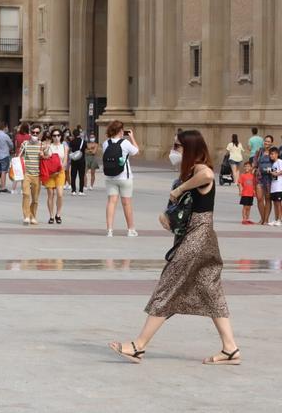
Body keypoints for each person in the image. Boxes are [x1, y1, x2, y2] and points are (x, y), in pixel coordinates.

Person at [110, 130, 241, 367]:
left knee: (167, 287)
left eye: (178, 147)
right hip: (199, 237)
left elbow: (209, 175)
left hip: (197, 240)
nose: (174, 151)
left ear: (190, 149)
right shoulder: (190, 173)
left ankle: (139, 345)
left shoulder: (200, 169)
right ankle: (230, 349)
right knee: (211, 291)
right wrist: (168, 219)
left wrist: (180, 189)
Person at [103, 121, 139, 237]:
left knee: (111, 202)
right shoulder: (125, 143)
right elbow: (136, 152)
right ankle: (130, 229)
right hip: (124, 177)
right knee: (126, 203)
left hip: (110, 177)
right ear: (120, 131)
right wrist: (132, 137)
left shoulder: (105, 143)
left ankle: (109, 230)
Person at [20, 125, 44, 225]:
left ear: (40, 134)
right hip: (26, 173)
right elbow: (19, 156)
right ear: (30, 133)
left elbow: (47, 158)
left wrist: (44, 155)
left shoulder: (42, 145)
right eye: (33, 132)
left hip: (37, 174)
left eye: (37, 133)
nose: (34, 134)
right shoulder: (25, 144)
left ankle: (33, 216)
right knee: (26, 194)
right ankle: (26, 216)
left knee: (35, 198)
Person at [43, 128, 68, 224]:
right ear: (51, 137)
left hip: (60, 172)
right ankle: (51, 216)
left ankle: (58, 214)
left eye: (58, 135)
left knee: (60, 194)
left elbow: (65, 160)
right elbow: (45, 158)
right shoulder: (49, 146)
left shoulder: (64, 147)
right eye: (54, 135)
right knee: (50, 194)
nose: (56, 137)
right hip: (50, 173)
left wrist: (61, 169)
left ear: (61, 136)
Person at [252, 135, 275, 225]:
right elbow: (254, 162)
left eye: (269, 141)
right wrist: (254, 168)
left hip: (270, 178)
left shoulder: (273, 152)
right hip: (259, 178)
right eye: (265, 141)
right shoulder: (259, 151)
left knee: (268, 199)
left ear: (272, 143)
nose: (266, 143)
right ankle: (262, 218)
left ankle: (266, 220)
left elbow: (277, 163)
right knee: (259, 198)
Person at [0, 123, 14, 192]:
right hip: (4, 155)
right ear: (5, 128)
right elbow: (11, 145)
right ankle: (3, 187)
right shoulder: (5, 136)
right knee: (3, 172)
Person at [68, 129, 87, 195]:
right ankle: (81, 191)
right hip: (82, 160)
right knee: (81, 175)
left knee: (73, 175)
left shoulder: (72, 141)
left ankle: (73, 190)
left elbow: (70, 150)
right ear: (79, 134)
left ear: (73, 134)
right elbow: (86, 150)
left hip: (74, 160)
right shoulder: (83, 141)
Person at [268, 147, 282, 226]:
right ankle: (276, 218)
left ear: (277, 154)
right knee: (275, 203)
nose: (271, 156)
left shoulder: (279, 161)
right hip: (273, 187)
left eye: (272, 154)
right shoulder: (273, 164)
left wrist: (275, 174)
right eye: (270, 154)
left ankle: (279, 219)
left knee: (278, 203)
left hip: (279, 187)